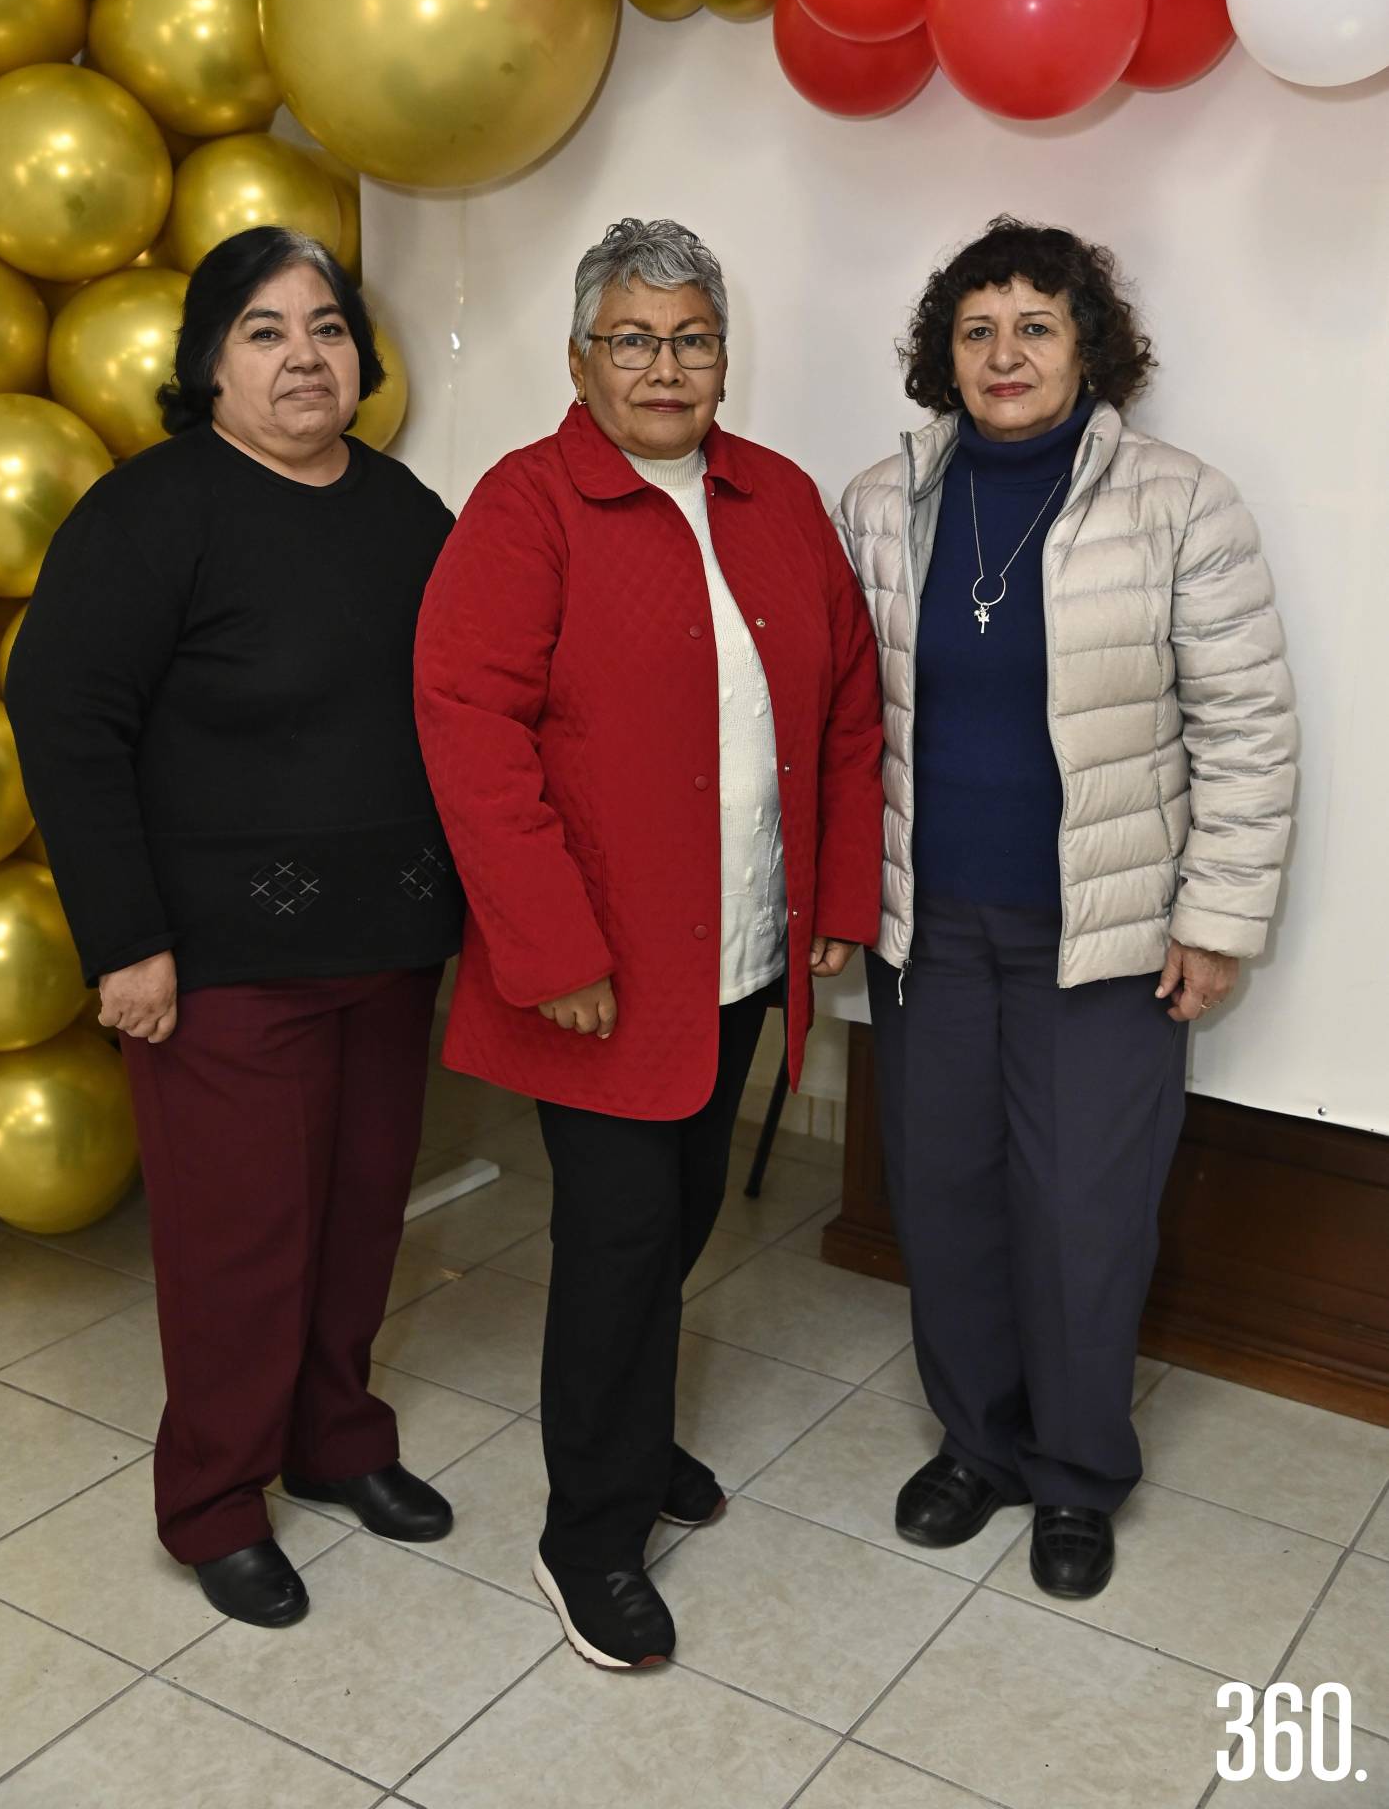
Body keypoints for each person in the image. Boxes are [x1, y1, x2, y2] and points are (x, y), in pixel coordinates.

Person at [414, 217, 883, 1670]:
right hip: (597, 973)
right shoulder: (526, 506)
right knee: (619, 1242)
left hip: (740, 950)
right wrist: (549, 948)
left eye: (690, 339)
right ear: (580, 358)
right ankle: (590, 1533)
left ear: (724, 360)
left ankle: (627, 1432)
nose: (664, 365)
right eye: (635, 338)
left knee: (679, 1220)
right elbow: (467, 728)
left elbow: (851, 712)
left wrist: (841, 903)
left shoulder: (778, 498)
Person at [5, 226, 465, 1629]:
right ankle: (212, 1500)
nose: (302, 357)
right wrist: (124, 941)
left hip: (386, 949)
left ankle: (334, 1445)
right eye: (262, 332)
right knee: (239, 1246)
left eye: (324, 327)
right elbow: (63, 717)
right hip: (213, 964)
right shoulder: (154, 512)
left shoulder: (404, 511)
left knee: (356, 1220)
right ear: (208, 365)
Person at [835, 216, 1297, 1601]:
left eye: (1036, 324)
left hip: (1103, 932)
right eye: (977, 330)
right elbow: (841, 719)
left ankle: (1079, 1474)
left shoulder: (1180, 502)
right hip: (932, 929)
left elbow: (1247, 727)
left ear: (1089, 346)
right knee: (946, 1195)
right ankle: (977, 1445)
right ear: (944, 357)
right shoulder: (879, 503)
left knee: (1084, 1215)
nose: (1005, 352)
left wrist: (1216, 917)